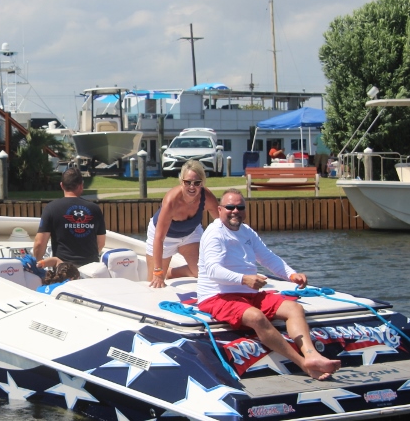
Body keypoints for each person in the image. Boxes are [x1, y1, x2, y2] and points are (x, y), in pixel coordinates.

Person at [197, 188, 341, 381]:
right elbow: (213, 271)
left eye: (240, 207)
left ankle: (311, 354)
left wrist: (292, 274)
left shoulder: (247, 232)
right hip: (217, 296)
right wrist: (244, 279)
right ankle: (303, 364)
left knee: (294, 308)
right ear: (220, 209)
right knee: (257, 317)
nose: (235, 211)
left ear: (245, 210)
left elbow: (267, 257)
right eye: (230, 207)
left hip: (248, 292)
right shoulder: (214, 234)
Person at [146, 160, 219, 288]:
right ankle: (163, 272)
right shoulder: (171, 201)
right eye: (188, 182)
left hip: (190, 234)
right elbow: (159, 238)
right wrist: (157, 272)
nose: (192, 187)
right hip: (164, 237)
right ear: (181, 181)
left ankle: (172, 272)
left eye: (197, 183)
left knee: (204, 273)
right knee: (154, 281)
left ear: (202, 183)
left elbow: (222, 224)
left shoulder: (207, 197)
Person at [32, 168, 106, 267]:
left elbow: (40, 243)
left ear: (62, 185)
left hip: (64, 270)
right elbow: (101, 242)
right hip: (91, 269)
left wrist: (37, 264)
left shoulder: (51, 208)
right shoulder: (95, 209)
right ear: (81, 185)